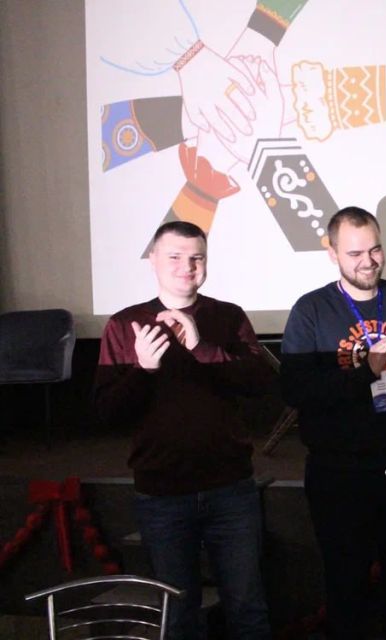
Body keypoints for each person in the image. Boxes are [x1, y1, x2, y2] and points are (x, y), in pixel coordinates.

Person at [94, 221, 273, 640]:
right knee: (177, 616)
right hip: (162, 493)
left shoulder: (227, 317)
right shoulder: (124, 324)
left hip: (230, 489)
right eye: (175, 256)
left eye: (197, 258)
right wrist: (143, 369)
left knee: (248, 608)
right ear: (153, 260)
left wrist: (200, 348)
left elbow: (260, 382)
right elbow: (106, 413)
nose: (187, 266)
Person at [280, 206, 386, 639]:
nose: (368, 261)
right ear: (332, 253)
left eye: (375, 250)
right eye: (355, 253)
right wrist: (365, 373)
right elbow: (297, 390)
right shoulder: (311, 311)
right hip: (339, 474)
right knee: (346, 586)